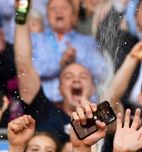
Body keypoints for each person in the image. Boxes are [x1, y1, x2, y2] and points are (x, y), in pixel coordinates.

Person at [13, 16, 95, 144]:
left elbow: (116, 100)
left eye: (83, 76)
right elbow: (24, 66)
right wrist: (22, 12)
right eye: (68, 77)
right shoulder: (44, 111)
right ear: (59, 89)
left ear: (93, 88)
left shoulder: (101, 119)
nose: (76, 80)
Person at [30, 0, 106, 102]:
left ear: (74, 15)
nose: (58, 12)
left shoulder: (87, 41)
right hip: (44, 106)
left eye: (64, 8)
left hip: (79, 105)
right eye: (53, 8)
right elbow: (29, 71)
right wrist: (59, 63)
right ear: (47, 17)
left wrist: (76, 61)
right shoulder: (36, 39)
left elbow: (101, 71)